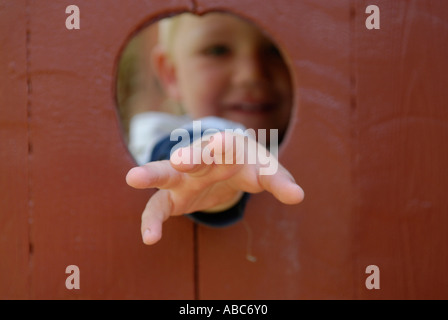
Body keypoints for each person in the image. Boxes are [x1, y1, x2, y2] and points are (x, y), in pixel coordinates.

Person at [125, 12, 305, 245]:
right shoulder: (161, 134)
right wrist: (209, 167)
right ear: (171, 75)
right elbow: (188, 143)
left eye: (274, 49)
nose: (251, 73)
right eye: (218, 51)